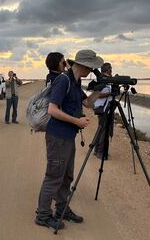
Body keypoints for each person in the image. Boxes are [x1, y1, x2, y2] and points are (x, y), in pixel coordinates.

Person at [35, 49, 104, 229]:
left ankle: (62, 210)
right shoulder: (63, 80)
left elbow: (87, 103)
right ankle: (42, 215)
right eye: (91, 67)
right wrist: (77, 121)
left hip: (68, 137)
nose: (91, 71)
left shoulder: (75, 81)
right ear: (83, 65)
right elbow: (52, 109)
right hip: (58, 137)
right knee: (53, 177)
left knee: (67, 176)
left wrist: (100, 89)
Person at [93, 62, 113, 159]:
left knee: (101, 130)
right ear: (107, 70)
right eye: (111, 69)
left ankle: (97, 150)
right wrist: (110, 94)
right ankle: (100, 152)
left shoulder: (105, 80)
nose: (112, 70)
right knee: (104, 131)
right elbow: (97, 94)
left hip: (104, 109)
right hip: (103, 109)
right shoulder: (102, 80)